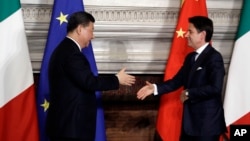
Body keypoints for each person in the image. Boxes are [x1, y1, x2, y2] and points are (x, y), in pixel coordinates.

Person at [46, 11, 136, 141]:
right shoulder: (71, 53)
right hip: (71, 129)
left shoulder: (65, 49)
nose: (93, 36)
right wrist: (117, 79)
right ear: (79, 29)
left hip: (67, 128)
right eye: (91, 30)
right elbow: (89, 82)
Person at [137, 16, 226, 141]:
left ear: (202, 35)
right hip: (189, 125)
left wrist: (189, 92)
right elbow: (177, 81)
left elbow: (215, 88)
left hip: (207, 126)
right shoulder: (190, 57)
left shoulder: (214, 57)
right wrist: (155, 88)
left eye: (190, 31)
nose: (185, 35)